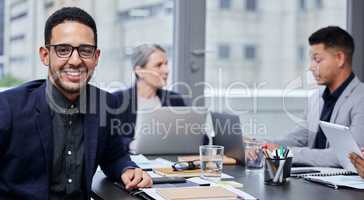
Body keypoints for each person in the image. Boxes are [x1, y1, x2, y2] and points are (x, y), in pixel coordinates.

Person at [0, 7, 152, 199]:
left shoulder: (105, 103)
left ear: (96, 57)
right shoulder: (8, 107)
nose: (75, 60)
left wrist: (127, 169)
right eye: (63, 50)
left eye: (85, 51)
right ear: (45, 55)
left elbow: (114, 156)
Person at [247, 26, 364, 167]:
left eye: (317, 60)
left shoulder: (360, 98)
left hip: (343, 187)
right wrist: (260, 145)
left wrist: (286, 152)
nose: (311, 67)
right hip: (312, 180)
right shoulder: (316, 98)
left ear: (339, 58)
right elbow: (297, 139)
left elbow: (349, 156)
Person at [113, 44, 186, 152]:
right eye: (158, 65)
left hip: (168, 161)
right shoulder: (117, 100)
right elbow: (108, 138)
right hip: (133, 161)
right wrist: (133, 144)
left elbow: (199, 138)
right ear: (140, 71)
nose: (166, 70)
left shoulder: (175, 99)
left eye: (166, 64)